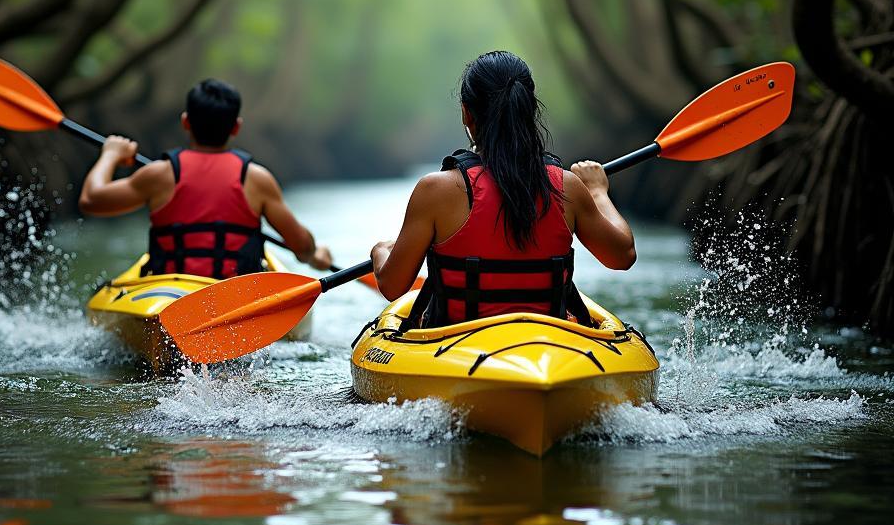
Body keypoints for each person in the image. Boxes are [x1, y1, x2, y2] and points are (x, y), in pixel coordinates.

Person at [370, 51, 635, 327]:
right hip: (550, 345)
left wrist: (381, 250)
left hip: (454, 346)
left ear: (466, 113)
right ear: (529, 109)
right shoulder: (568, 186)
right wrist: (597, 191)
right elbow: (623, 255)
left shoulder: (436, 191)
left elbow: (391, 285)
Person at [78, 78, 333, 277]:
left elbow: (91, 200)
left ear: (185, 122)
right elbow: (300, 246)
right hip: (233, 294)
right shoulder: (256, 179)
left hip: (169, 292)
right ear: (236, 127)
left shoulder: (159, 174)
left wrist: (110, 154)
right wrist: (314, 252)